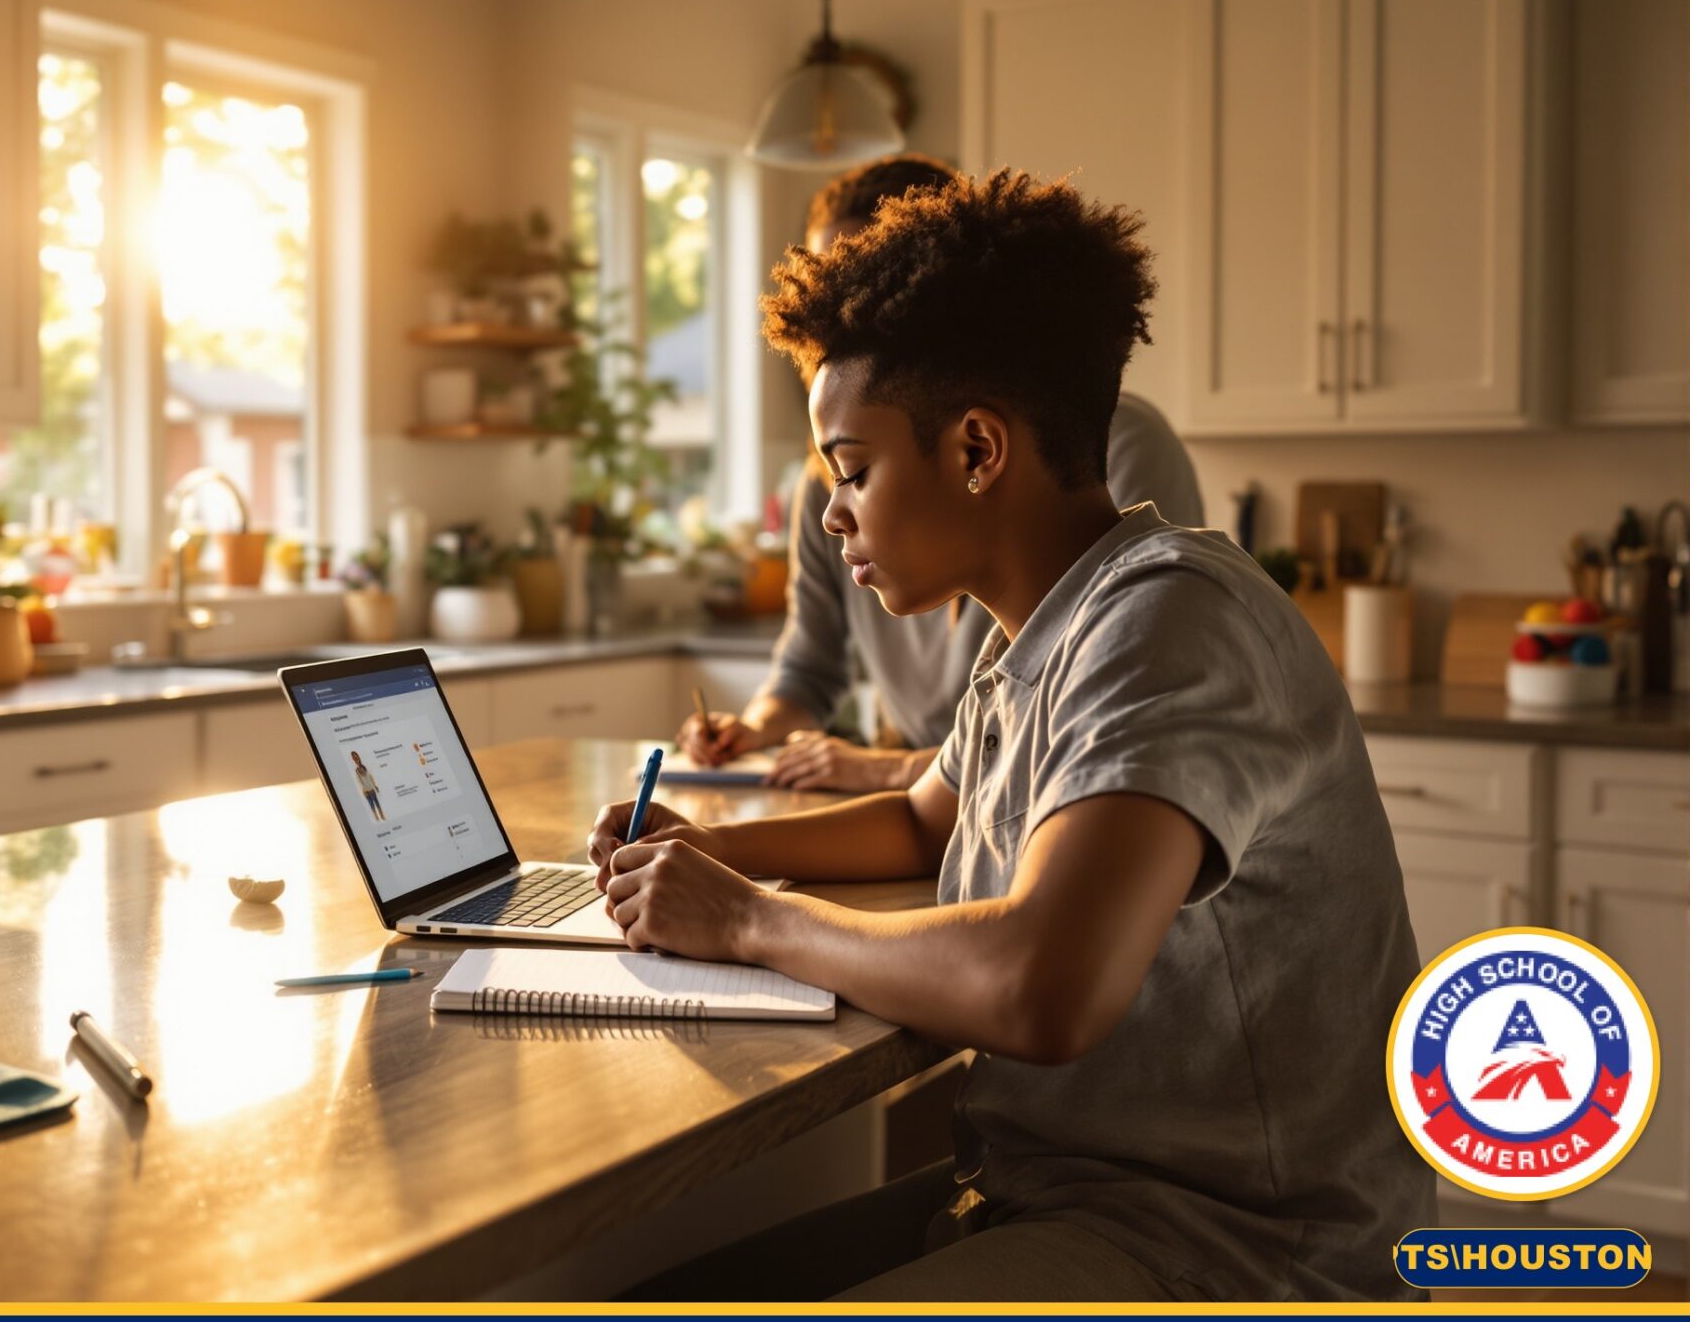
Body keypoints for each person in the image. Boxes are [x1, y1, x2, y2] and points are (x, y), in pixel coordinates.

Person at [593, 171, 1432, 1301]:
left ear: (978, 450)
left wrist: (745, 917)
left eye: (854, 471)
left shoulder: (1170, 618)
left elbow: (1043, 982)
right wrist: (699, 855)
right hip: (1051, 1194)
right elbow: (919, 821)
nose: (832, 513)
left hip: (1234, 1250)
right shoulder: (1038, 634)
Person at [678, 154, 1205, 792]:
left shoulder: (1114, 485)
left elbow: (1096, 736)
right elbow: (817, 682)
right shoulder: (825, 490)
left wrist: (884, 772)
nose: (841, 308)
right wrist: (747, 743)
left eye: (868, 275)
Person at [351, 751, 386, 821]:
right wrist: (365, 790)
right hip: (366, 791)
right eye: (354, 758)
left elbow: (370, 777)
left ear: (359, 757)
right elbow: (359, 782)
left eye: (357, 757)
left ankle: (382, 816)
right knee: (371, 804)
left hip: (371, 789)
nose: (356, 759)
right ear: (353, 760)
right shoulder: (356, 770)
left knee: (377, 802)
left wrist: (375, 786)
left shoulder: (365, 767)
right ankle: (377, 818)